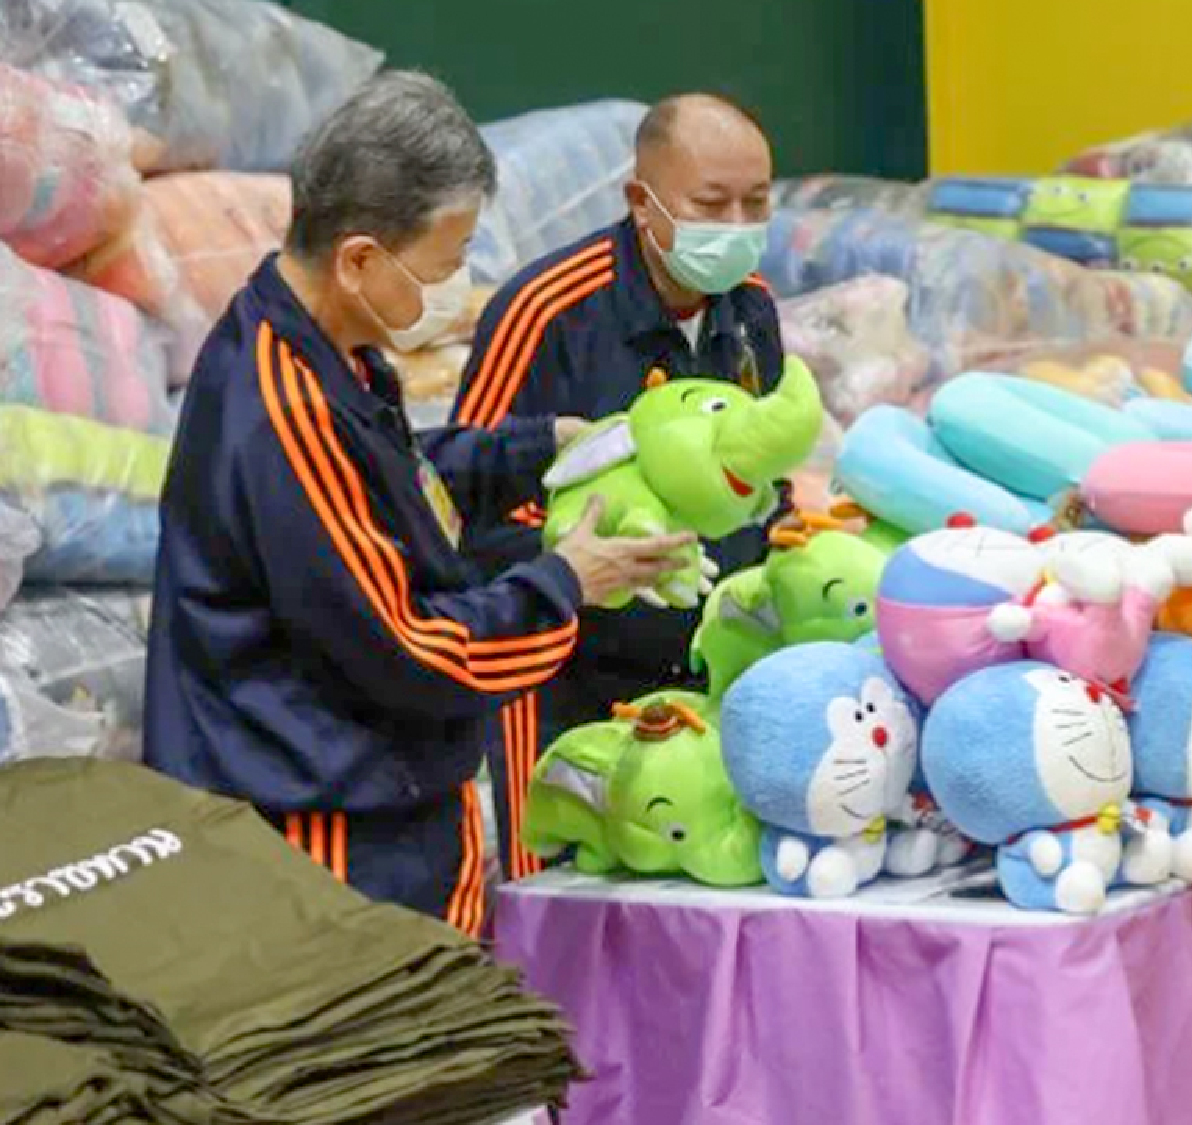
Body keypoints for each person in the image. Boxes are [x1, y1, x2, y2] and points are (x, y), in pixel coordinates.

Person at [144, 72, 695, 935]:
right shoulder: (284, 406)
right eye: (448, 258)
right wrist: (566, 582)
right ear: (361, 258)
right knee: (382, 1059)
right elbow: (409, 648)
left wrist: (536, 447)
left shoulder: (333, 350)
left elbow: (395, 486)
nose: (458, 280)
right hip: (321, 835)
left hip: (382, 805)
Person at [450, 93, 786, 882]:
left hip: (708, 676)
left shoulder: (754, 311)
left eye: (757, 201)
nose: (736, 222)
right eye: (711, 204)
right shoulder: (547, 311)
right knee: (560, 905)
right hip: (567, 681)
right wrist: (588, 558)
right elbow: (467, 499)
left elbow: (758, 472)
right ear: (642, 202)